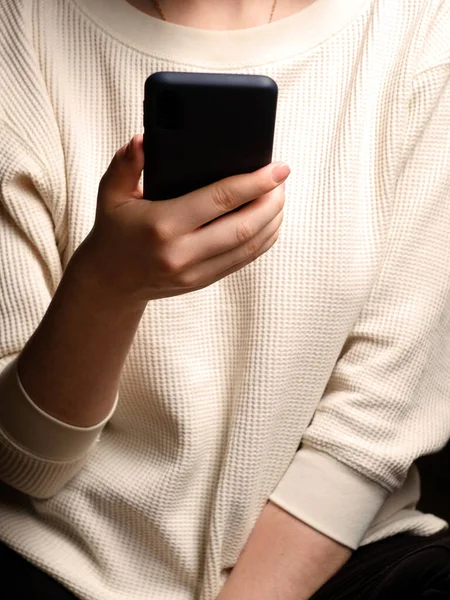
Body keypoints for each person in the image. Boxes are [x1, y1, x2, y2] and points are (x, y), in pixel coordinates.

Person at [0, 0, 450, 598]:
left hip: (343, 561)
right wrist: (105, 287)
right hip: (64, 559)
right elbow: (29, 462)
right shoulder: (22, 29)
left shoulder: (419, 27)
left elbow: (376, 421)